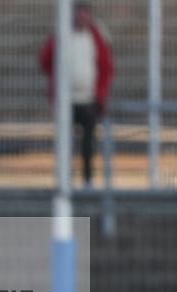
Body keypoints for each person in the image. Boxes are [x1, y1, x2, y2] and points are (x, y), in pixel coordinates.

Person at [39, 2, 114, 187]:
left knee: (88, 143)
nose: (81, 18)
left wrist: (100, 94)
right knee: (65, 142)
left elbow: (106, 67)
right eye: (78, 14)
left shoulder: (96, 37)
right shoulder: (63, 35)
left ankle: (87, 179)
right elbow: (45, 60)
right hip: (66, 100)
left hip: (89, 99)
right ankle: (65, 179)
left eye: (85, 14)